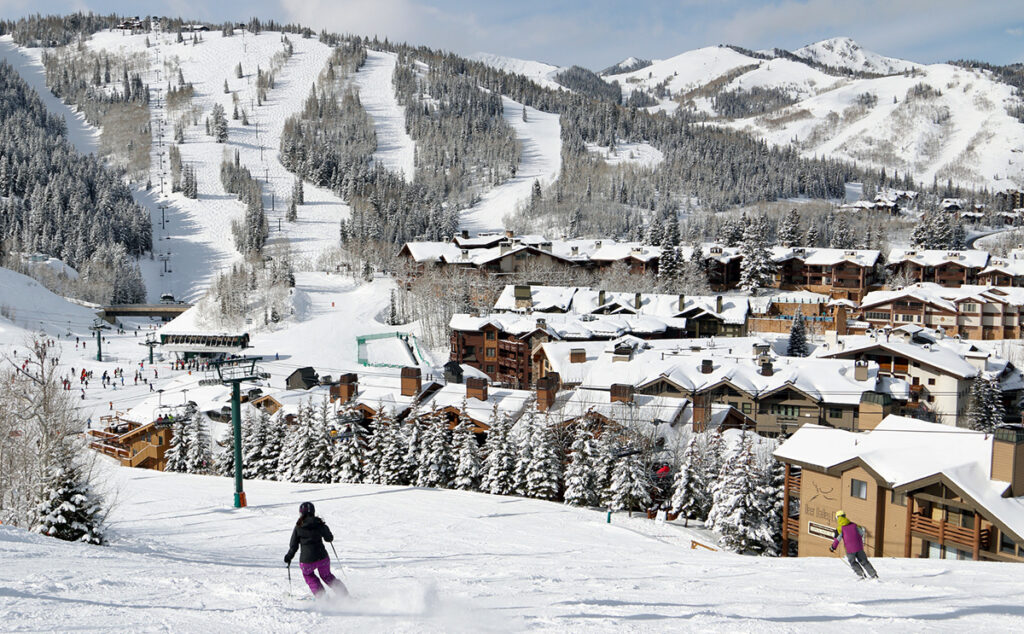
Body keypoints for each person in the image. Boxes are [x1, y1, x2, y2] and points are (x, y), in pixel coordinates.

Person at [284, 502, 348, 598]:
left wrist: (289, 557)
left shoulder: (298, 527)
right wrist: (324, 528)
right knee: (327, 576)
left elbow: (294, 546)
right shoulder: (318, 524)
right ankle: (344, 595)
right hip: (322, 558)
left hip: (307, 561)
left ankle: (322, 597)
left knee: (309, 576)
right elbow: (329, 538)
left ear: (301, 513)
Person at [830, 510, 878, 579]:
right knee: (864, 561)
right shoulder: (854, 525)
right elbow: (861, 533)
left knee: (852, 562)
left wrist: (832, 547)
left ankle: (861, 575)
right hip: (859, 547)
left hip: (850, 549)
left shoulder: (839, 529)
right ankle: (874, 575)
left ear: (837, 518)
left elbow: (837, 540)